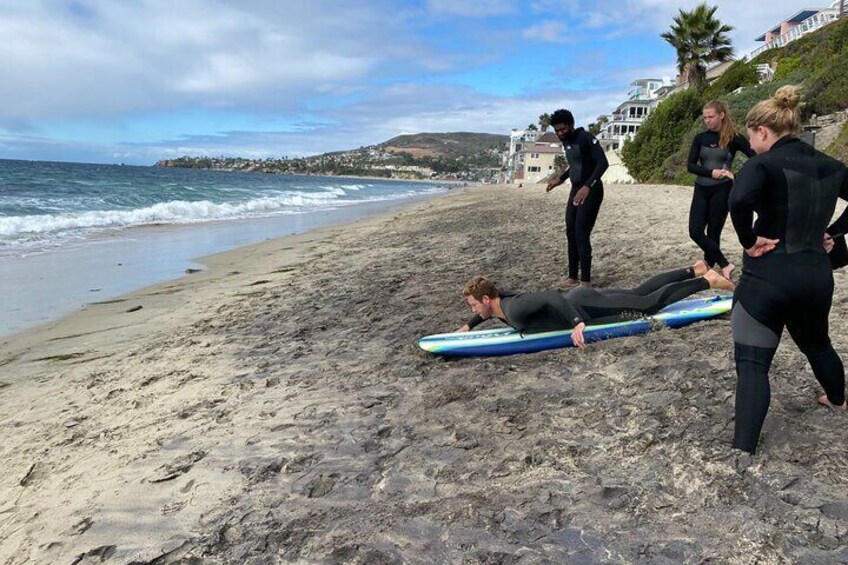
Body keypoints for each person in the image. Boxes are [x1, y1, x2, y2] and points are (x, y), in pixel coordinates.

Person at [728, 85, 848, 455]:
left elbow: (738, 200)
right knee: (817, 343)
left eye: (751, 136)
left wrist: (749, 241)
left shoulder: (761, 164)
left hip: (769, 277)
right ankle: (837, 400)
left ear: (763, 131)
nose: (751, 143)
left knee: (752, 363)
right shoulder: (832, 165)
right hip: (815, 276)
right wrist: (834, 232)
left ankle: (744, 447)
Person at [456, 260, 734, 348]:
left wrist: (577, 324)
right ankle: (693, 269)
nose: (473, 310)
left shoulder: (515, 308)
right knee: (637, 292)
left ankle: (707, 281)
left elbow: (552, 297)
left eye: (472, 305)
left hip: (585, 307)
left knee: (647, 305)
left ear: (485, 299)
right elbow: (486, 313)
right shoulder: (497, 303)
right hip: (580, 299)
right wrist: (469, 325)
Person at [687, 100, 756, 280]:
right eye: (705, 118)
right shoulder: (700, 138)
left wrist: (736, 175)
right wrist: (711, 172)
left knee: (713, 232)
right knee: (695, 231)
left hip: (722, 189)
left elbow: (756, 159)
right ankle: (725, 264)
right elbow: (690, 166)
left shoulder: (734, 138)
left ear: (721, 115)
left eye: (711, 117)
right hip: (701, 188)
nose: (707, 121)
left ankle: (709, 267)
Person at [545, 109, 609, 288]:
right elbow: (575, 164)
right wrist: (561, 179)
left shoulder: (585, 138)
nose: (560, 133)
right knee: (570, 232)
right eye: (557, 130)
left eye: (563, 129)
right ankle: (572, 277)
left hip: (591, 190)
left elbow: (603, 163)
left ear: (571, 125)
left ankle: (586, 282)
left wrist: (588, 186)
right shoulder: (567, 142)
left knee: (581, 233)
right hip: (575, 189)